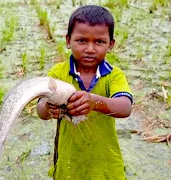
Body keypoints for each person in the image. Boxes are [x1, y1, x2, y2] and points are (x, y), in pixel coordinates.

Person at [37, 5, 133, 180]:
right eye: (81, 40)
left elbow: (125, 107)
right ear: (68, 41)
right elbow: (41, 110)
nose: (90, 48)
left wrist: (94, 102)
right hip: (68, 162)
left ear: (110, 45)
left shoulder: (113, 75)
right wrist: (49, 109)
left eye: (99, 42)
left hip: (106, 164)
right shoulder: (58, 73)